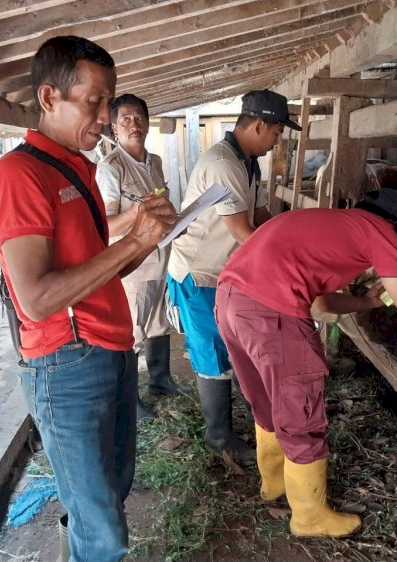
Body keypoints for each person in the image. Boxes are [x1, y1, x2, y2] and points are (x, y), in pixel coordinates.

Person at [0, 36, 176, 562]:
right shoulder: (19, 175)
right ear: (49, 98)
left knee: (108, 500)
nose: (106, 115)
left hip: (109, 349)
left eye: (108, 101)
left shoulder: (80, 168)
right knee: (103, 531)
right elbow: (38, 299)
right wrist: (134, 240)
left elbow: (100, 270)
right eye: (94, 101)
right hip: (66, 363)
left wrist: (147, 242)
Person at [215, 189, 397, 538]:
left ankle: (274, 484)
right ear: (395, 226)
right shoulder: (380, 231)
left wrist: (366, 302)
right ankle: (309, 516)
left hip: (230, 300)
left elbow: (320, 305)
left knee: (267, 402)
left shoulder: (327, 223)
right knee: (300, 409)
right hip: (272, 313)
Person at [166, 89, 301, 466]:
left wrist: (293, 236)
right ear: (259, 125)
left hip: (221, 271)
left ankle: (233, 421)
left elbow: (260, 215)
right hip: (198, 272)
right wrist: (286, 262)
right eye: (276, 132)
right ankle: (219, 438)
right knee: (212, 352)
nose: (278, 140)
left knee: (228, 345)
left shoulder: (247, 162)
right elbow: (244, 231)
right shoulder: (224, 164)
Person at [96, 93, 190, 420]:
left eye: (139, 118)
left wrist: (176, 221)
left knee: (160, 323)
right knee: (133, 332)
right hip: (134, 265)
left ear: (147, 123)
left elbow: (161, 209)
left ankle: (161, 381)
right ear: (114, 128)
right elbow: (105, 227)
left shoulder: (155, 162)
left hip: (161, 257)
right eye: (125, 119)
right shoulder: (111, 169)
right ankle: (128, 399)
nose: (134, 125)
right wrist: (139, 212)